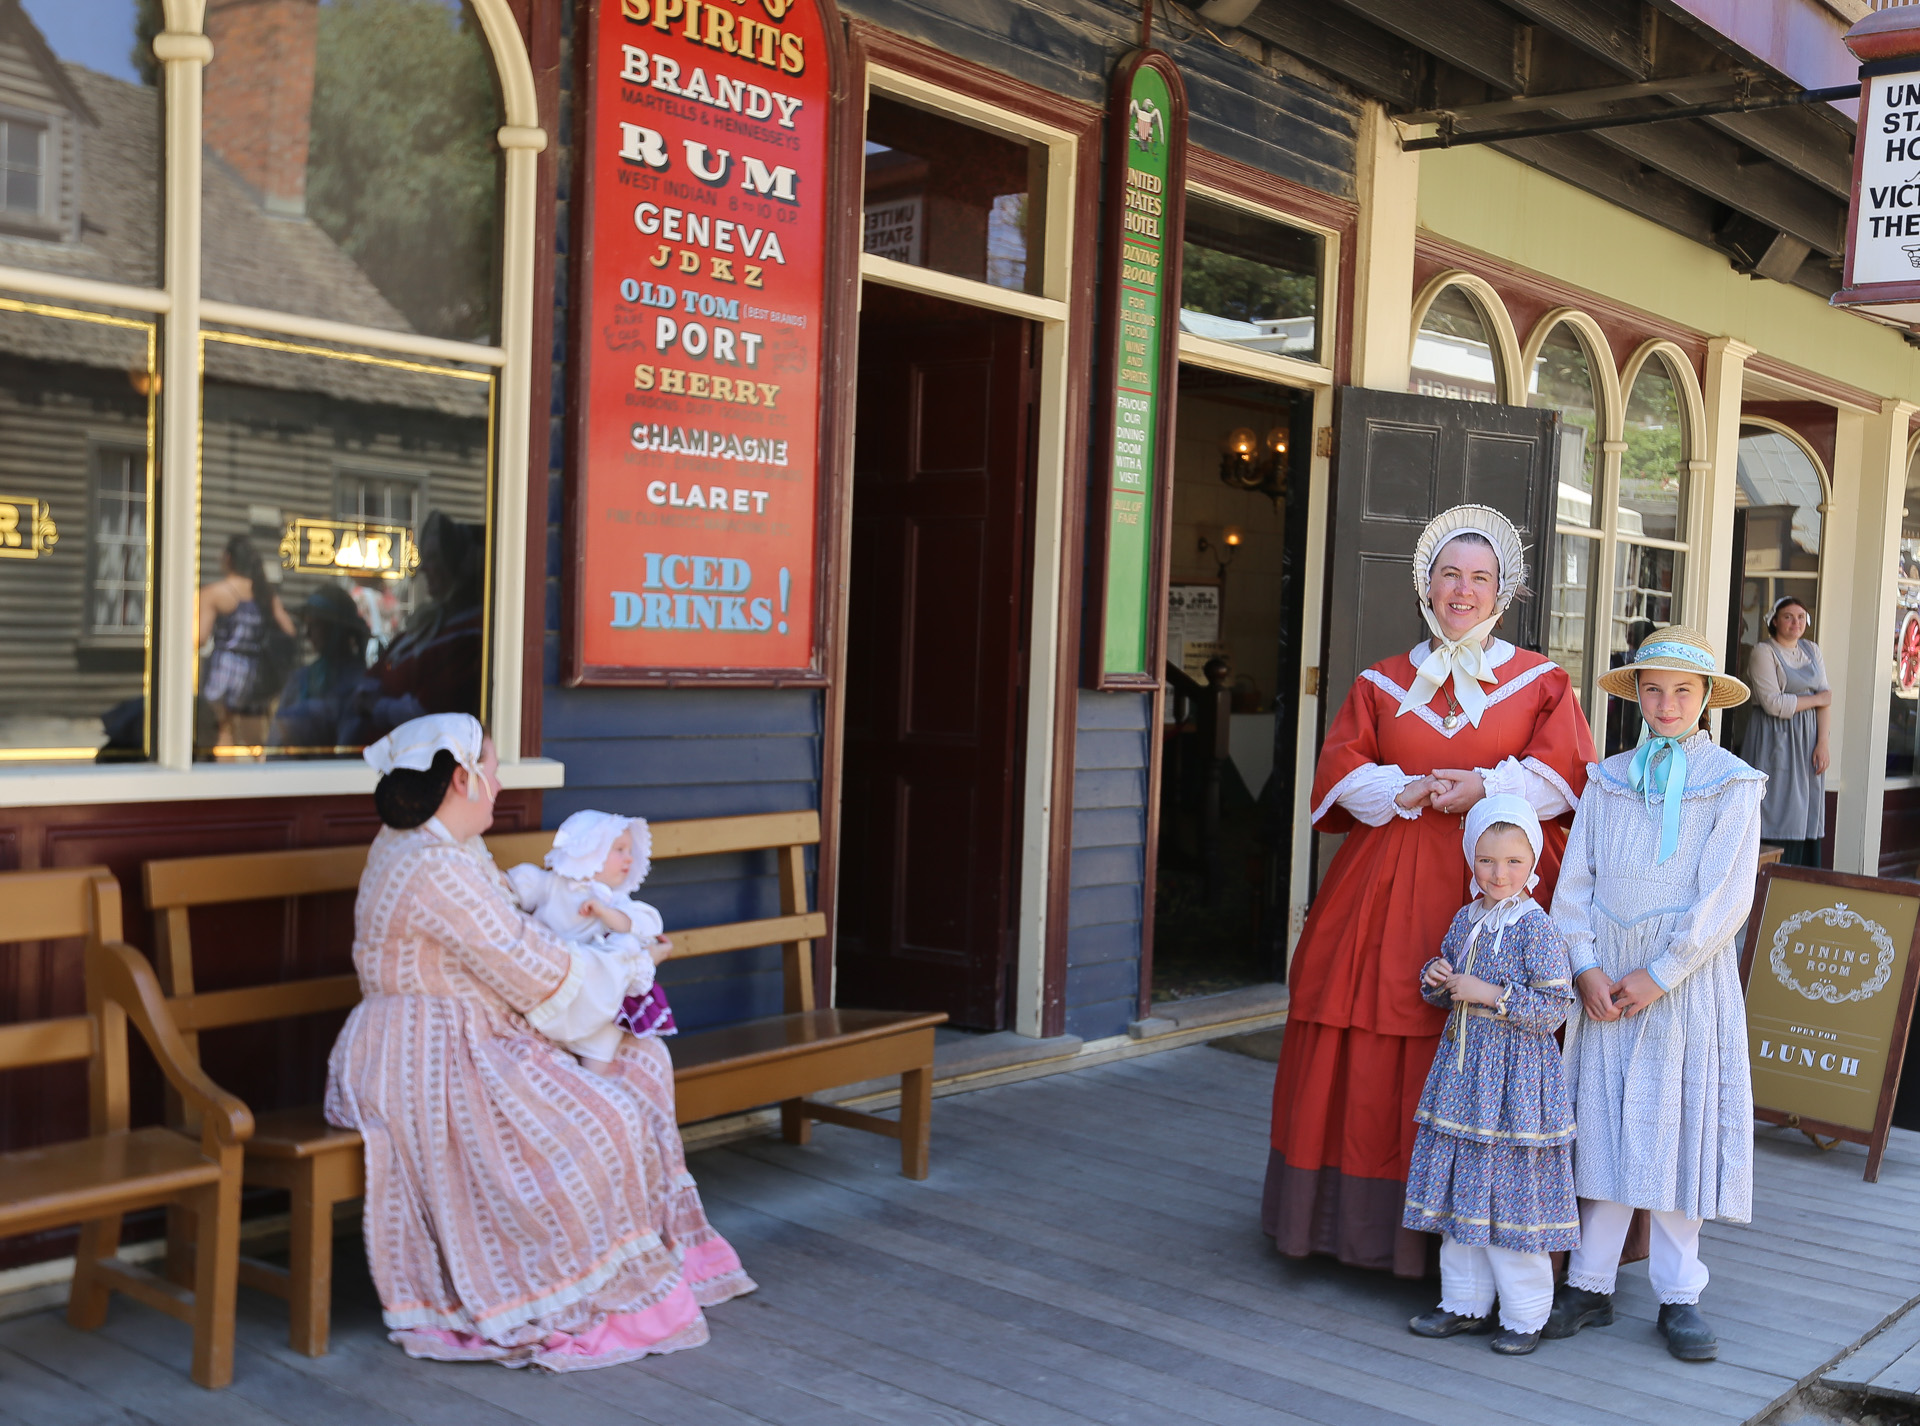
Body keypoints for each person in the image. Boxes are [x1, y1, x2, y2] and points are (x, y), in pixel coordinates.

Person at [324, 713, 753, 1369]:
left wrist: (608, 949)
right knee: (600, 1120)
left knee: (641, 1062)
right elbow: (531, 967)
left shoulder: (439, 850)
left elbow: (519, 946)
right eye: (491, 769)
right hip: (425, 1056)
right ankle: (556, 1284)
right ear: (462, 778)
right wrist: (632, 963)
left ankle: (657, 1251)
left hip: (463, 1030)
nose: (498, 782)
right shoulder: (433, 866)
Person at [1264, 505, 1597, 1277]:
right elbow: (1338, 775)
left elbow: (1567, 779)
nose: (1464, 590)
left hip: (1495, 888)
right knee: (1370, 1018)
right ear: (1427, 583)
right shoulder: (1382, 681)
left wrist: (1484, 785)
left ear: (1503, 591)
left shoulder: (1542, 681)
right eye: (1451, 573)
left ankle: (1490, 1243)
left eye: (1481, 577)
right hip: (1382, 888)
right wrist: (1406, 788)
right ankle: (1357, 1228)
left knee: (1490, 1032)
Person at [1545, 626, 1763, 1363]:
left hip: (1682, 983)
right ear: (1635, 695)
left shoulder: (1732, 782)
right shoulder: (1606, 780)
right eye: (1653, 688)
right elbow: (1574, 884)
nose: (1666, 703)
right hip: (1606, 977)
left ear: (1706, 699)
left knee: (1675, 1133)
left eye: (1683, 690)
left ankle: (1679, 1294)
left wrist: (1662, 972)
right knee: (1602, 1127)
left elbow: (1725, 896)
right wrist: (1584, 966)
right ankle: (1590, 1284)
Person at [1403, 795, 1578, 1357]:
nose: (1499, 874)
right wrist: (1437, 977)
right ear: (1470, 859)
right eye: (1486, 861)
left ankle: (1525, 1315)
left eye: (1513, 862)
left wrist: (1495, 995)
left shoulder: (1536, 927)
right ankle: (1463, 1303)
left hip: (1516, 1087)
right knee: (1464, 1191)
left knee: (1511, 1200)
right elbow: (1445, 989)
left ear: (1533, 865)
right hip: (1463, 1078)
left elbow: (1554, 1009)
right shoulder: (1466, 917)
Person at [506, 809, 679, 1073]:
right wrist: (508, 885)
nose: (628, 858)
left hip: (596, 990)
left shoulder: (613, 900)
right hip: (553, 978)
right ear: (589, 851)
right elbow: (520, 887)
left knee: (605, 1030)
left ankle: (593, 1080)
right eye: (619, 849)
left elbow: (634, 923)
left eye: (630, 851)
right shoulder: (553, 884)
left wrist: (604, 912)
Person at [1742, 595, 1829, 866]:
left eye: (1801, 617)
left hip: (1809, 742)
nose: (1795, 622)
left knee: (1806, 806)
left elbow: (1827, 700)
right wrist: (1815, 700)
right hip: (1776, 739)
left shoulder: (1812, 650)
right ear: (1775, 621)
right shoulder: (1763, 652)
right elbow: (1773, 703)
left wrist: (1822, 743)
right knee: (1780, 804)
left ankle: (1804, 876)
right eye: (1789, 616)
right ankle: (1775, 871)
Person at [197, 533, 297, 747]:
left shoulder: (215, 593)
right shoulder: (264, 593)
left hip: (224, 671)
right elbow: (289, 631)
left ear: (229, 559)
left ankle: (226, 780)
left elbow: (199, 637)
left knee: (223, 732)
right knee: (254, 741)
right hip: (254, 674)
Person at [269, 585, 376, 752]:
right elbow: (275, 743)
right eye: (307, 624)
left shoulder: (361, 684)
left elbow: (349, 750)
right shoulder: (300, 678)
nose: (308, 634)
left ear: (337, 630)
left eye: (316, 625)